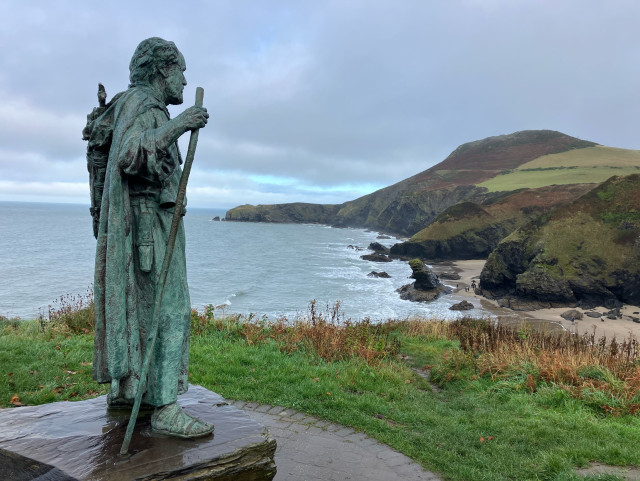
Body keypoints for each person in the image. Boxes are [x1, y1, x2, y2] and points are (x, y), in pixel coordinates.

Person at [85, 37, 212, 438]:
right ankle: (165, 407)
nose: (184, 80)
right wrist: (180, 124)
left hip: (142, 225)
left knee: (140, 311)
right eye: (181, 71)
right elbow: (127, 155)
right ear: (163, 71)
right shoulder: (147, 107)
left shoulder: (126, 104)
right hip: (150, 227)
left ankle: (130, 391)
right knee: (169, 309)